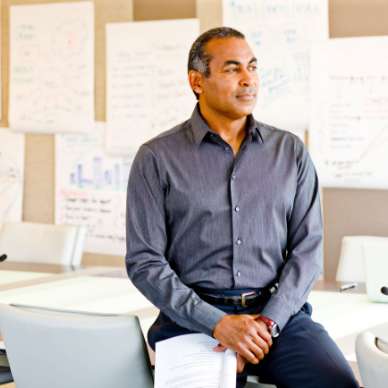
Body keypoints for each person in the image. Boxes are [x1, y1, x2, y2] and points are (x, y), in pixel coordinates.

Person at [125, 27, 359, 388]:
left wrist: (266, 324)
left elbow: (307, 251)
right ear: (197, 81)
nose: (248, 79)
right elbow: (144, 262)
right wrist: (217, 323)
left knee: (337, 381)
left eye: (252, 66)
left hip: (276, 315)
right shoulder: (156, 158)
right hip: (192, 318)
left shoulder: (290, 151)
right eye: (232, 69)